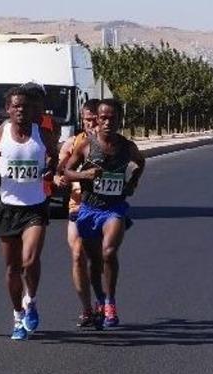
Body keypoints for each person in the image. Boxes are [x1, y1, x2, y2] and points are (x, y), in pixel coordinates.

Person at [0, 86, 59, 341]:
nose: (20, 110)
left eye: (25, 106)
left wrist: (50, 169)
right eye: (15, 106)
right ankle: (17, 316)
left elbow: (54, 160)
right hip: (8, 208)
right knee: (13, 268)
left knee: (29, 260)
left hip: (35, 207)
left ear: (31, 109)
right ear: (8, 109)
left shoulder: (43, 135)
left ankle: (31, 301)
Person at [63, 99, 145, 329]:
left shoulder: (127, 147)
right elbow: (67, 172)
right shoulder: (87, 145)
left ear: (120, 120)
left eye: (113, 118)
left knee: (109, 252)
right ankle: (100, 299)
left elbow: (141, 162)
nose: (108, 122)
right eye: (103, 118)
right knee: (94, 262)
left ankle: (110, 302)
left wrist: (133, 182)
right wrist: (85, 176)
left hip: (114, 208)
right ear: (97, 120)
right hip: (89, 209)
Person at [55, 99, 101, 328]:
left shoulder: (111, 145)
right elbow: (57, 172)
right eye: (86, 120)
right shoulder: (73, 144)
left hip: (103, 209)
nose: (90, 124)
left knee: (99, 260)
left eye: (94, 120)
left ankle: (103, 300)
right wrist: (60, 179)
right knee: (77, 255)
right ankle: (86, 309)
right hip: (77, 207)